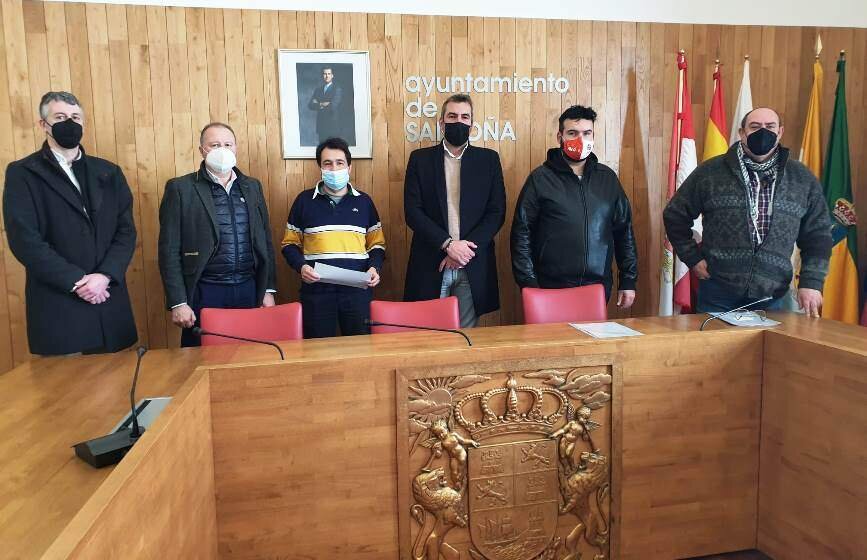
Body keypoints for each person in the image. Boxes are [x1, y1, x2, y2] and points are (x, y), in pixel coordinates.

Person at [3, 91, 137, 355]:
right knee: (66, 393)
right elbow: (24, 239)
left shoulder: (109, 172)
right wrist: (78, 281)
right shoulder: (24, 173)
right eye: (60, 117)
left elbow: (126, 232)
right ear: (43, 124)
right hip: (60, 307)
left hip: (107, 300)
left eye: (75, 117)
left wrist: (105, 276)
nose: (69, 123)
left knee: (118, 390)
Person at [663, 107, 832, 316]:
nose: (763, 132)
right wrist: (692, 258)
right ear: (742, 132)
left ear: (780, 132)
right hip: (718, 293)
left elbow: (818, 235)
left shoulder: (801, 178)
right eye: (755, 127)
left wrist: (812, 282)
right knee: (716, 349)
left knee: (773, 350)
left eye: (770, 127)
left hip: (774, 297)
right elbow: (674, 214)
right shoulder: (711, 172)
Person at [158, 122, 277, 347]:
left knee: (249, 355)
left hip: (248, 288)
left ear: (236, 148)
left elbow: (265, 242)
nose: (222, 150)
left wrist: (268, 289)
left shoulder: (252, 187)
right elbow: (168, 250)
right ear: (202, 150)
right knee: (200, 360)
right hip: (205, 290)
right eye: (214, 145)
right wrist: (178, 303)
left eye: (227, 144)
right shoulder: (180, 188)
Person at [510, 105, 638, 307]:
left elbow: (624, 231)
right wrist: (528, 283)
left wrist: (628, 280)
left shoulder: (608, 179)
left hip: (597, 288)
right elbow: (521, 234)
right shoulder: (540, 179)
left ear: (593, 136)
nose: (580, 139)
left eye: (587, 133)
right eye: (572, 133)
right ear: (559, 136)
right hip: (549, 288)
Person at [404, 93, 506, 328]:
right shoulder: (420, 160)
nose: (458, 121)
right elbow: (412, 211)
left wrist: (464, 251)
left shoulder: (488, 160)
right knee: (430, 333)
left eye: (464, 117)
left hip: (473, 262)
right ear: (441, 123)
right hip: (432, 260)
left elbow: (496, 212)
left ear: (472, 124)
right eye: (452, 116)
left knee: (467, 336)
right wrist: (449, 245)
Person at [282, 137, 385, 338]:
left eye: (340, 163)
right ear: (320, 167)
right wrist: (301, 267)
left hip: (357, 292)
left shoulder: (364, 202)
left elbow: (377, 245)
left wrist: (374, 268)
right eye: (327, 163)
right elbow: (289, 244)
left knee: (360, 350)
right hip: (317, 292)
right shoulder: (304, 201)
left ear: (349, 168)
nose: (334, 168)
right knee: (317, 352)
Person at [308, 67, 344, 143]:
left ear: (332, 75)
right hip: (321, 126)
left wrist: (318, 103)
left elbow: (333, 105)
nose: (327, 76)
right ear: (322, 75)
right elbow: (310, 105)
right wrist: (321, 104)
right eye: (325, 74)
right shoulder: (318, 90)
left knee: (332, 150)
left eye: (329, 74)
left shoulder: (337, 89)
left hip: (332, 126)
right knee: (321, 150)